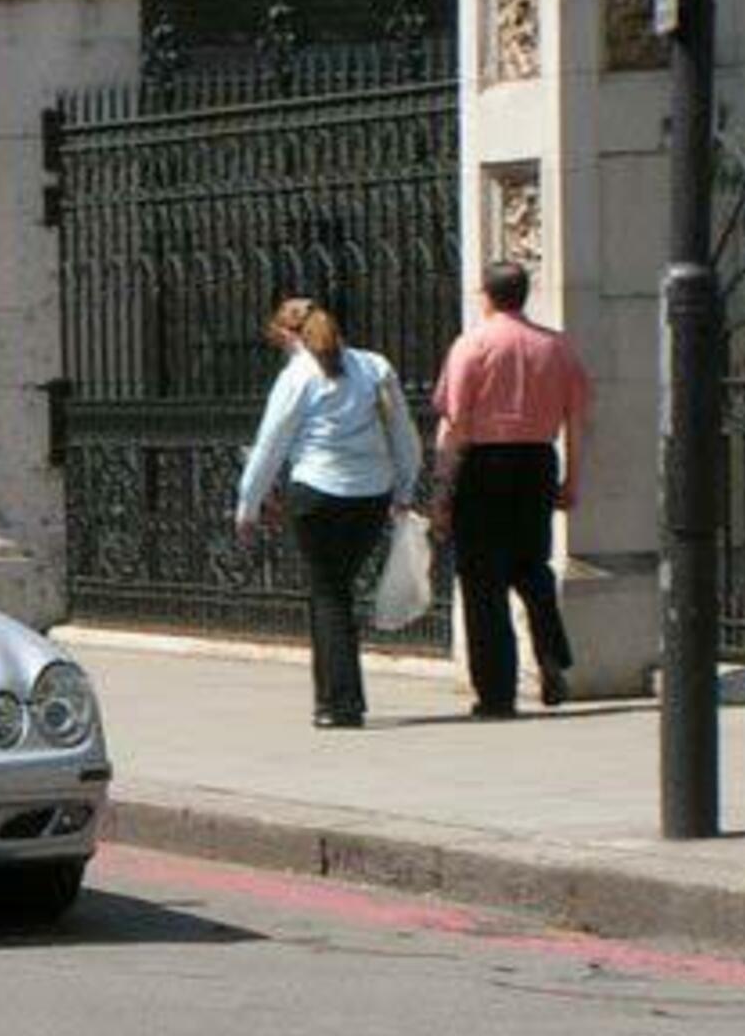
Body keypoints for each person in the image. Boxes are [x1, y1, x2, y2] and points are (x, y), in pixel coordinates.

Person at [234, 297, 425, 730]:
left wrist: (247, 504)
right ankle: (341, 698)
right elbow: (404, 433)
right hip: (371, 495)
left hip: (317, 493)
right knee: (339, 589)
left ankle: (339, 702)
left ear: (288, 336)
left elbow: (271, 444)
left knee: (328, 593)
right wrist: (406, 487)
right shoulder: (375, 367)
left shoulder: (298, 376)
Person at [433, 260, 591, 717]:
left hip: (485, 463)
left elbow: (456, 422)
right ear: (524, 294)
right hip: (539, 460)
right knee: (532, 566)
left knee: (483, 583)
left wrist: (443, 491)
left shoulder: (473, 344)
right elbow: (576, 421)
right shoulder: (557, 347)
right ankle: (550, 650)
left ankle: (497, 692)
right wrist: (572, 479)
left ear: (485, 295)